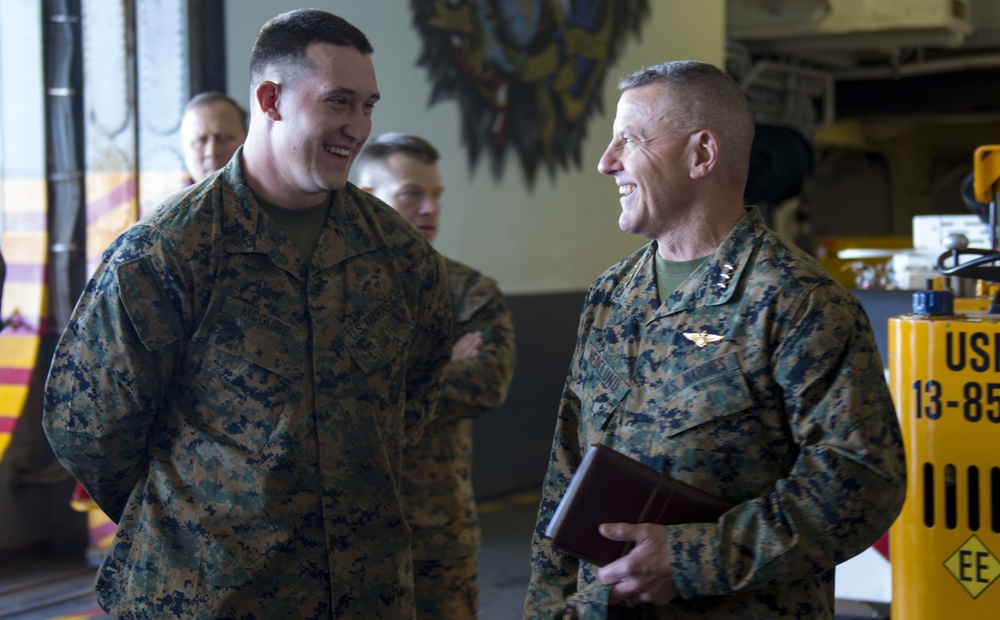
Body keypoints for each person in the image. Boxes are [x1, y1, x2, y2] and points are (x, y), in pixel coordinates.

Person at [43, 9, 453, 618]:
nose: (358, 127)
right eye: (339, 102)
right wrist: (199, 518)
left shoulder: (397, 255)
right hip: (209, 595)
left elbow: (416, 391)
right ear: (271, 100)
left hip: (363, 591)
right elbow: (89, 427)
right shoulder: (168, 251)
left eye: (368, 105)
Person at [523, 60, 906, 619]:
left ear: (702, 154)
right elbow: (567, 467)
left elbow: (860, 481)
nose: (607, 163)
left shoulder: (796, 300)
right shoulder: (613, 292)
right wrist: (546, 609)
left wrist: (689, 559)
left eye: (628, 140)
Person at [355, 133, 517, 619]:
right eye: (411, 193)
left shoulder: (468, 291)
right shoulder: (327, 289)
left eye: (437, 196)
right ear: (367, 199)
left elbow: (487, 383)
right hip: (340, 532)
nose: (429, 208)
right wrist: (440, 364)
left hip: (435, 533)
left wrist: (365, 384)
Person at [180, 90, 248, 183]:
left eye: (224, 138)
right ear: (184, 148)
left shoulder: (271, 195)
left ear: (246, 141)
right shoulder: (171, 197)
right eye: (200, 141)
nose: (211, 152)